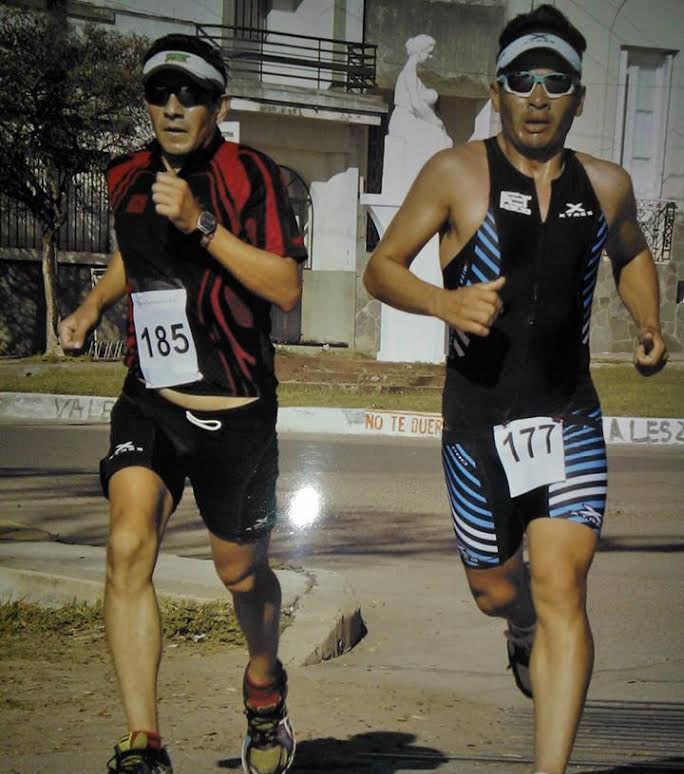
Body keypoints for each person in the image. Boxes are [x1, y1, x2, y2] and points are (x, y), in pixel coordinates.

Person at [363, 6, 667, 773]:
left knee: (565, 584)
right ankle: (518, 624)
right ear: (497, 90)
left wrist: (650, 322)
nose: (537, 95)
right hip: (477, 426)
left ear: (578, 98)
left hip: (568, 417)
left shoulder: (607, 185)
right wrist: (442, 303)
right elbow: (382, 268)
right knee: (498, 592)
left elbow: (632, 253)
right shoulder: (455, 173)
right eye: (521, 79)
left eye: (555, 81)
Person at [59, 33, 307, 774]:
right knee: (127, 545)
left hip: (237, 409)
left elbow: (285, 288)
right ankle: (145, 742)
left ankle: (264, 683)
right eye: (159, 93)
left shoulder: (254, 176)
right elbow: (130, 254)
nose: (173, 107)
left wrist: (201, 222)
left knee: (241, 575)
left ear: (218, 106)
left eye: (191, 94)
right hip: (151, 397)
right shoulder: (126, 175)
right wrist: (90, 307)